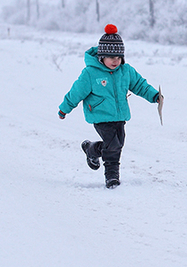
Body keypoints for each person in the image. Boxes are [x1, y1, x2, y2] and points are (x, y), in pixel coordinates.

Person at [58, 24, 163, 188]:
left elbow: (140, 85)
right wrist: (65, 108)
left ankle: (92, 149)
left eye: (119, 57)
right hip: (100, 115)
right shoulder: (90, 73)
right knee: (112, 145)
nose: (116, 61)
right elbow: (76, 92)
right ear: (101, 57)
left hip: (119, 116)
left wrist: (154, 96)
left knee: (117, 145)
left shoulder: (126, 71)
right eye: (111, 57)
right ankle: (111, 178)